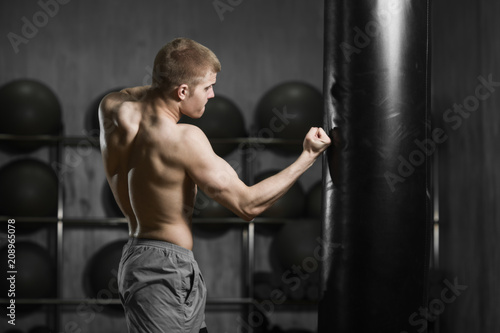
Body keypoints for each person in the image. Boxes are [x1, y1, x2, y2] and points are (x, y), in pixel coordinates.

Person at [99, 37, 331, 333]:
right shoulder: (184, 139)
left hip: (137, 257)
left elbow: (146, 92)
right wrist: (308, 157)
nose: (212, 95)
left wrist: (166, 85)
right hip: (165, 270)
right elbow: (248, 205)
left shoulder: (114, 108)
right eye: (207, 87)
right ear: (182, 91)